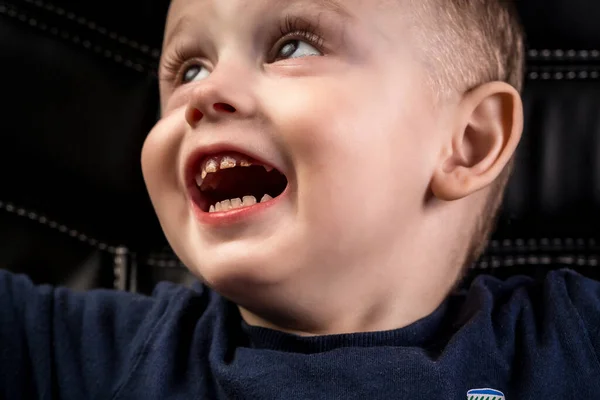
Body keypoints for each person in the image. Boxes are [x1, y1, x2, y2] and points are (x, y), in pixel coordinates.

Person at [2, 0, 599, 398]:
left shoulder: (567, 341)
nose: (206, 92)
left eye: (294, 48)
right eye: (187, 68)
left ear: (468, 143)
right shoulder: (96, 351)